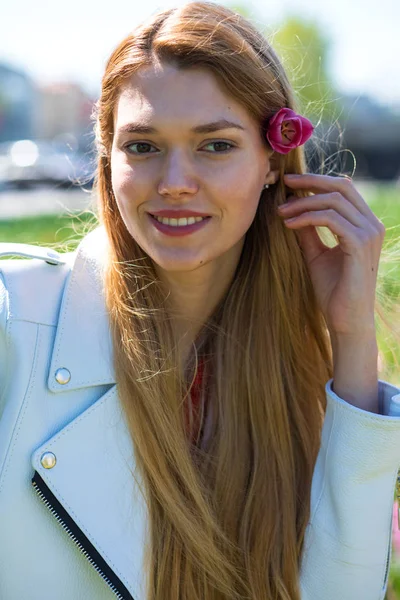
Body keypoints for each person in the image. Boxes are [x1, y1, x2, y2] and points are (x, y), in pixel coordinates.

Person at [0, 2, 400, 599]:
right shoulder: (13, 327)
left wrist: (351, 340)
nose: (176, 181)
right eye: (143, 147)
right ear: (108, 158)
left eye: (215, 145)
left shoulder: (306, 371)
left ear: (272, 162)